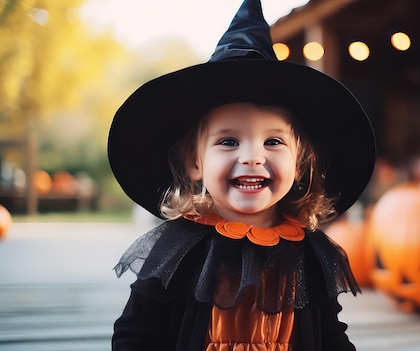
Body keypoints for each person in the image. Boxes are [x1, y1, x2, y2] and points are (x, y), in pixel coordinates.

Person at [107, 1, 376, 350]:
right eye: (229, 141)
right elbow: (136, 335)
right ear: (195, 163)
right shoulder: (178, 249)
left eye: (273, 141)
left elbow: (329, 335)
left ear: (298, 165)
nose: (251, 157)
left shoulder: (308, 251)